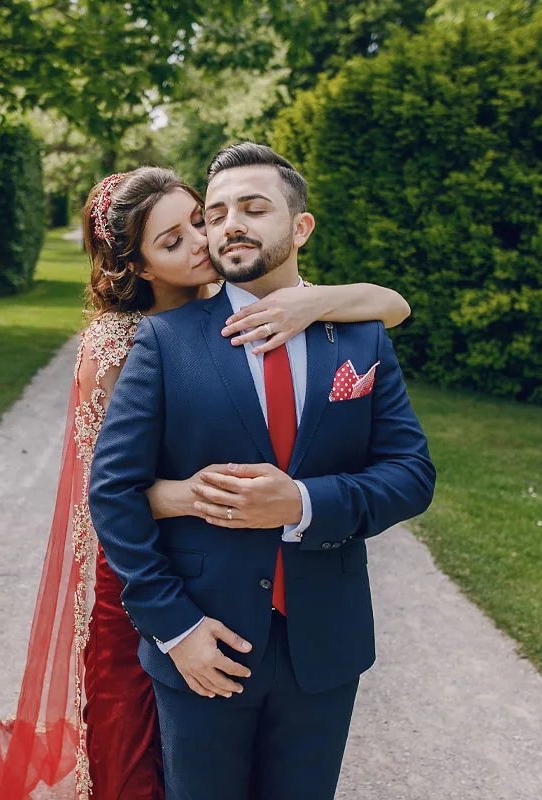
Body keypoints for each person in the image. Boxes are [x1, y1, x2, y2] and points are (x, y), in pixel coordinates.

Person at [0, 164, 413, 800]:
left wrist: (316, 300)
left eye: (201, 220)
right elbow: (109, 485)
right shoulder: (137, 342)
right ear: (140, 266)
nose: (204, 241)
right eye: (181, 237)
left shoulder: (324, 323)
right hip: (165, 588)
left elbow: (394, 327)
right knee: (140, 756)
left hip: (316, 630)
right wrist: (188, 525)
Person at [87, 144, 436, 800]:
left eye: (252, 207)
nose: (227, 225)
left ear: (300, 227)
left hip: (324, 647)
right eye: (214, 214)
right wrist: (176, 628)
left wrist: (303, 502)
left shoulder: (360, 338)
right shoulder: (164, 342)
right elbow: (111, 491)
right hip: (202, 641)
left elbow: (412, 473)